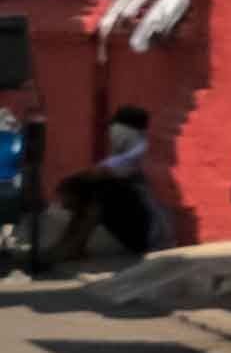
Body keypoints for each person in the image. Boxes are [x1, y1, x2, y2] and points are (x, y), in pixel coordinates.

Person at [40, 104, 154, 269]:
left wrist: (68, 188)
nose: (112, 134)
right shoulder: (130, 152)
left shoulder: (141, 150)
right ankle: (70, 244)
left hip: (149, 234)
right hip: (138, 229)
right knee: (97, 188)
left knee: (102, 189)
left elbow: (98, 173)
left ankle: (72, 246)